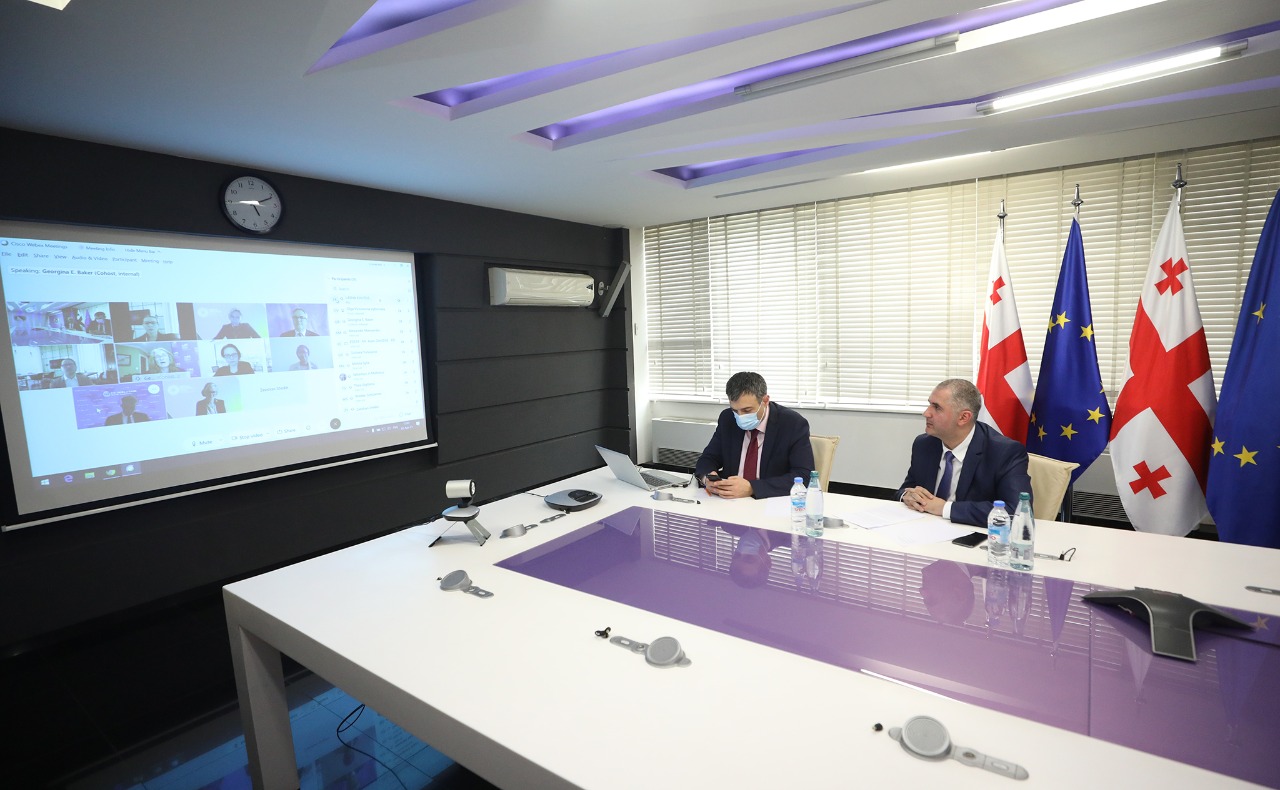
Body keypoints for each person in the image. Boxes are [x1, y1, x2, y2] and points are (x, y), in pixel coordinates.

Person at [897, 378, 1032, 528]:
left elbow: (1017, 513)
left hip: (975, 535)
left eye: (937, 407)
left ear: (963, 417)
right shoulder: (924, 444)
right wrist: (907, 496)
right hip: (924, 528)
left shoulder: (1004, 452)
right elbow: (905, 489)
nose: (926, 413)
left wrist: (944, 508)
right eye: (929, 404)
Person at [693, 371, 814, 499]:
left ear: (765, 401)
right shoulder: (727, 418)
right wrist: (707, 478)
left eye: (747, 410)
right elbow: (708, 458)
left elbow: (804, 476)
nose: (740, 416)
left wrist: (752, 488)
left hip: (769, 501)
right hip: (729, 500)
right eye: (735, 410)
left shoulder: (792, 424)